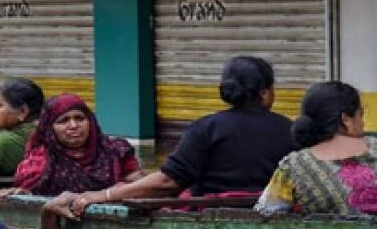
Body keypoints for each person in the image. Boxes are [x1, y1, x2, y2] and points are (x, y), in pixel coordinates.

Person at [41, 56, 295, 220]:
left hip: (212, 216)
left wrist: (102, 196)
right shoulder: (290, 129)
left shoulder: (207, 127)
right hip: (270, 215)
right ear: (264, 93)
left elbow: (167, 183)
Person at [255, 80, 377, 216]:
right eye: (360, 114)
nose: (362, 122)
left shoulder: (293, 165)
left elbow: (266, 212)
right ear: (346, 119)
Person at [0, 93, 143, 197]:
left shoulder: (116, 150)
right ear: (50, 128)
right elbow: (28, 194)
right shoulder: (40, 162)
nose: (73, 126)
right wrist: (25, 194)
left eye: (80, 118)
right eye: (63, 121)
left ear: (90, 122)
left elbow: (137, 180)